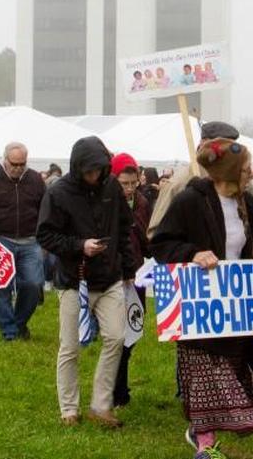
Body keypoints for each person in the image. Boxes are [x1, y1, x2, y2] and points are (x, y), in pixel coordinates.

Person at [152, 138, 253, 458]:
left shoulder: (247, 204)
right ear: (229, 173)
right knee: (205, 373)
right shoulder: (190, 202)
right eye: (246, 168)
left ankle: (204, 431)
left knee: (232, 369)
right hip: (199, 305)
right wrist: (192, 253)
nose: (251, 172)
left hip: (236, 304)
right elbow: (162, 244)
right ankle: (205, 442)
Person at [37, 136, 137, 429]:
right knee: (69, 347)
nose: (95, 176)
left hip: (110, 279)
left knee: (117, 338)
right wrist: (80, 245)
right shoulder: (58, 193)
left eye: (99, 170)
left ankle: (100, 405)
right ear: (78, 167)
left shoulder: (111, 188)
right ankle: (69, 408)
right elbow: (45, 235)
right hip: (73, 281)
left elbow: (124, 227)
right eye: (90, 171)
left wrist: (128, 265)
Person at [0, 142, 47, 341]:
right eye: (14, 163)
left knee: (33, 284)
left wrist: (44, 237)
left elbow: (45, 211)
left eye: (22, 164)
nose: (18, 168)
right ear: (5, 159)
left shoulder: (35, 180)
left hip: (30, 241)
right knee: (1, 287)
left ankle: (19, 323)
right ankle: (9, 332)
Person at [109, 152, 151, 407]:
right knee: (116, 334)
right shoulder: (106, 204)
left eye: (133, 183)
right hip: (113, 276)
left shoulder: (143, 203)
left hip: (136, 276)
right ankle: (116, 389)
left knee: (133, 329)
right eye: (124, 183)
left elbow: (148, 240)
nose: (129, 188)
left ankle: (120, 385)